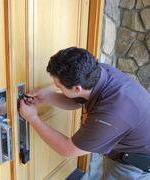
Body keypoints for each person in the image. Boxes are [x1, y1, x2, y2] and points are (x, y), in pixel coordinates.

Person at [19, 47, 150, 179]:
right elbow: (78, 100)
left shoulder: (111, 113)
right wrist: (47, 96)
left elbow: (68, 149)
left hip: (134, 166)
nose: (57, 88)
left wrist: (32, 118)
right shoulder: (97, 71)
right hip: (129, 145)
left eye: (59, 87)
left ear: (77, 88)